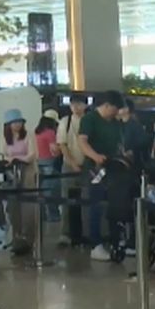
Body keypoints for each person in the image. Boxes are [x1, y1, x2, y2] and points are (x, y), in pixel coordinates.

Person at [78, 90, 126, 261]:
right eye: (115, 108)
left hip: (114, 168)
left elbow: (119, 143)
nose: (117, 112)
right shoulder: (89, 119)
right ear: (106, 106)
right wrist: (95, 156)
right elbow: (82, 141)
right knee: (95, 206)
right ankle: (95, 244)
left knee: (115, 205)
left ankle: (116, 241)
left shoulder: (115, 123)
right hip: (95, 169)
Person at [1, 109, 38, 255]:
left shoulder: (29, 135)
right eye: (14, 123)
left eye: (19, 122)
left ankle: (29, 239)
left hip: (28, 172)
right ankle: (16, 238)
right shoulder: (5, 137)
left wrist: (20, 159)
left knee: (29, 206)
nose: (17, 125)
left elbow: (33, 154)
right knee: (14, 207)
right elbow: (3, 154)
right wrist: (10, 161)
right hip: (12, 174)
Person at [58, 94, 88, 247]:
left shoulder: (90, 121)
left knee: (86, 200)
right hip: (69, 166)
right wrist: (73, 163)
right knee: (66, 199)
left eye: (79, 104)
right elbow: (62, 145)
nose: (76, 108)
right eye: (73, 105)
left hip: (87, 166)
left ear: (85, 105)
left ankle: (84, 233)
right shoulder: (65, 122)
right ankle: (65, 233)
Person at [35, 109, 61, 222]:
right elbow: (54, 150)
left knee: (39, 192)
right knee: (51, 192)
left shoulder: (36, 132)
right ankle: (53, 215)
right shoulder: (50, 133)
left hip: (37, 163)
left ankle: (41, 216)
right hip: (49, 163)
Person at [118, 98, 150, 171]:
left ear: (127, 109)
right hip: (121, 161)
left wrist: (132, 151)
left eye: (120, 107)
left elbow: (143, 142)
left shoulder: (135, 125)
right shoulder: (118, 125)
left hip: (134, 162)